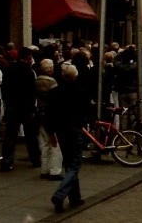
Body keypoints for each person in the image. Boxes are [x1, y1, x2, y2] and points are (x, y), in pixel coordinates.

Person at [48, 63, 88, 214]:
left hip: (61, 131)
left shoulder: (54, 92)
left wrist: (51, 133)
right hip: (75, 129)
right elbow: (84, 111)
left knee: (69, 162)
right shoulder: (79, 91)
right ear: (75, 76)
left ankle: (75, 198)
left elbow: (50, 114)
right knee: (74, 164)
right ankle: (59, 195)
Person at [35, 58, 63, 181]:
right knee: (55, 145)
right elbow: (57, 101)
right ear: (50, 69)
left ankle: (44, 169)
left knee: (44, 144)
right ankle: (55, 171)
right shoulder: (53, 83)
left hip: (40, 114)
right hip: (51, 116)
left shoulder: (36, 81)